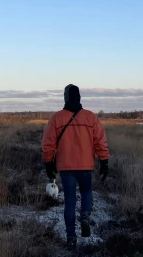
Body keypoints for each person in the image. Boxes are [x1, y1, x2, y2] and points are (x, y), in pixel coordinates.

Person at [42, 84, 110, 250]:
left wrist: (48, 163)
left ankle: (71, 238)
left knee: (70, 202)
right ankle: (85, 216)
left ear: (65, 98)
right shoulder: (91, 118)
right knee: (86, 193)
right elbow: (100, 141)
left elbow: (48, 144)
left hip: (66, 168)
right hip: (86, 166)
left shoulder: (57, 118)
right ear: (79, 97)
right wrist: (104, 161)